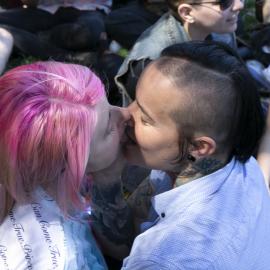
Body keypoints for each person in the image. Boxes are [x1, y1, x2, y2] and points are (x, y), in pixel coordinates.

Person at [90, 41, 270, 269]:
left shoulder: (167, 260)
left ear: (199, 147)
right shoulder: (225, 162)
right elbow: (126, 240)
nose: (126, 113)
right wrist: (107, 174)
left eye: (145, 118)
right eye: (135, 99)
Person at [0, 61, 130, 269]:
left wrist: (108, 177)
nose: (126, 113)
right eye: (108, 129)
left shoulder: (34, 177)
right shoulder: (63, 261)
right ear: (66, 165)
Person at [115, 0, 244, 105]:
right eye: (224, 2)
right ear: (187, 13)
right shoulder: (153, 64)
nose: (239, 5)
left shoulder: (218, 30)